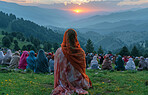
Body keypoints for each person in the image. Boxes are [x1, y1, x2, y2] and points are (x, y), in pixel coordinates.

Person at [52, 29, 92, 95]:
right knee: (85, 82)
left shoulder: (59, 52)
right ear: (75, 37)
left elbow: (57, 69)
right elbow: (82, 69)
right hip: (77, 81)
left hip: (63, 81)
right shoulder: (80, 52)